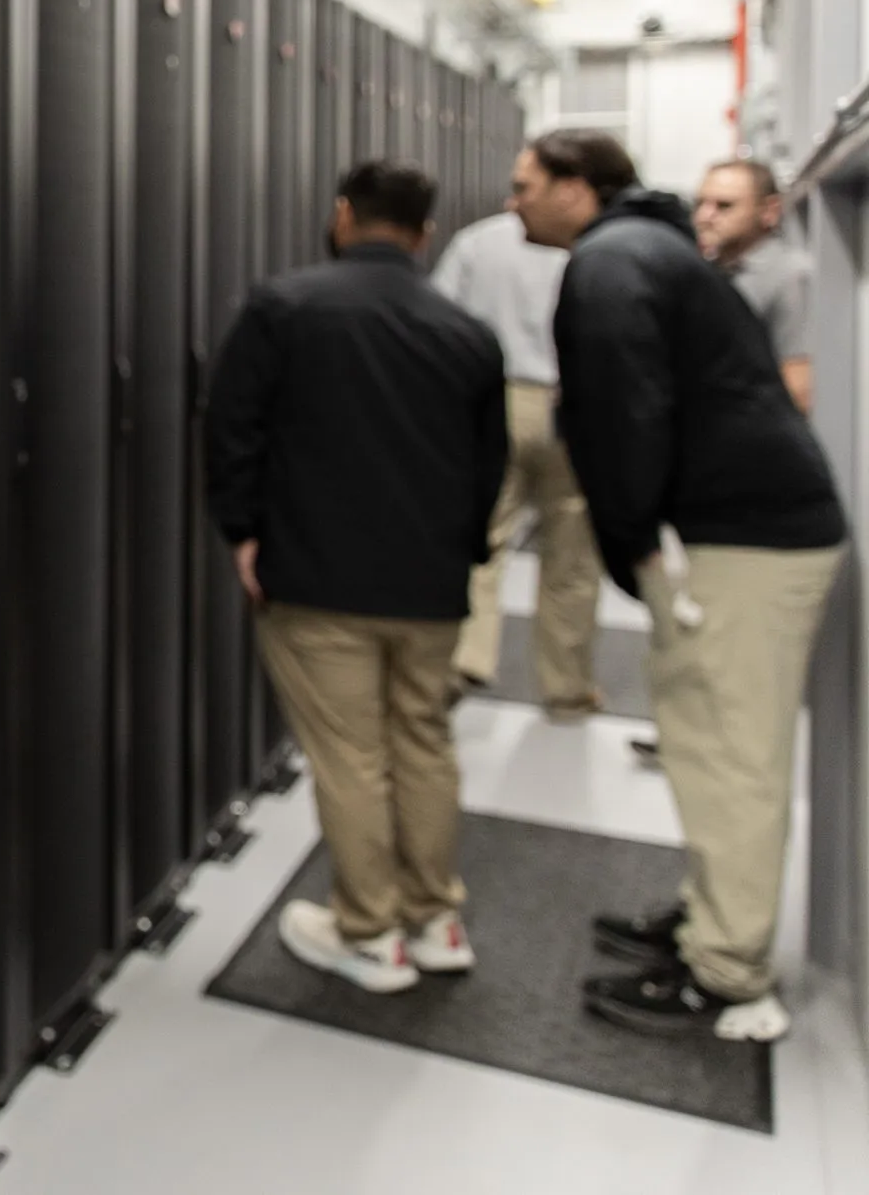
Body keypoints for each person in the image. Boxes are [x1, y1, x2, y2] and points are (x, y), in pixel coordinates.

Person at [513, 129, 847, 1042]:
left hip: (746, 538)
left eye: (527, 185)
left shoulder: (614, 263)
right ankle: (711, 923)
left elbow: (626, 416)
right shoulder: (647, 249)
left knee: (734, 757)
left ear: (580, 190)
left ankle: (729, 975)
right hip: (740, 527)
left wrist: (632, 544)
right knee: (705, 742)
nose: (515, 203)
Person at [206, 160, 508, 994]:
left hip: (317, 577)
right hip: (430, 583)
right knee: (422, 741)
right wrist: (465, 554)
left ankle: (368, 931)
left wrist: (243, 534)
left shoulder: (284, 307)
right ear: (426, 233)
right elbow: (491, 470)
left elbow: (231, 429)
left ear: (343, 215)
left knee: (350, 756)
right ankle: (436, 917)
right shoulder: (466, 332)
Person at [430, 201, 602, 717]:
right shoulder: (588, 247)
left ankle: (467, 659)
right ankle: (566, 688)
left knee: (484, 537)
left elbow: (441, 316)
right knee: (571, 554)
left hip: (494, 397)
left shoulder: (478, 241)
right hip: (570, 403)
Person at [695, 157, 813, 413]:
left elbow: (798, 387)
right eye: (700, 203)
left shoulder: (790, 275)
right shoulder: (706, 271)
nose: (705, 216)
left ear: (769, 211)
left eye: (724, 206)